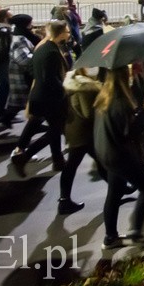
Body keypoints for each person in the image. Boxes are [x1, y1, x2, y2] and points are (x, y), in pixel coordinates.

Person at [94, 66, 144, 249]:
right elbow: (132, 133)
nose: (130, 74)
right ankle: (136, 233)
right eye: (127, 72)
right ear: (123, 77)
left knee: (114, 192)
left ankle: (110, 237)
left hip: (106, 152)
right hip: (120, 155)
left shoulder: (103, 98)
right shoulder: (121, 102)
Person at [10, 20, 70, 176]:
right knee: (55, 130)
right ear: (61, 33)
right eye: (67, 32)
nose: (69, 34)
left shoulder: (43, 47)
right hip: (49, 99)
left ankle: (58, 160)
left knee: (54, 129)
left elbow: (31, 69)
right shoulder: (51, 52)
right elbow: (50, 79)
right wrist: (65, 92)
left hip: (40, 95)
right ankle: (24, 157)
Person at [59, 68, 103, 215]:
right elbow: (87, 113)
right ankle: (64, 201)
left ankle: (64, 200)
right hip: (81, 132)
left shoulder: (74, 83)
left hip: (75, 129)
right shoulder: (84, 87)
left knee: (99, 160)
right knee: (72, 164)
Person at [2, 14, 37, 127]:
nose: (32, 25)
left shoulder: (21, 35)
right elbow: (23, 59)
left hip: (22, 75)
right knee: (20, 102)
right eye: (30, 23)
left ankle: (7, 119)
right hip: (22, 76)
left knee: (20, 102)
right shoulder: (20, 39)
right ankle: (7, 119)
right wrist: (37, 57)